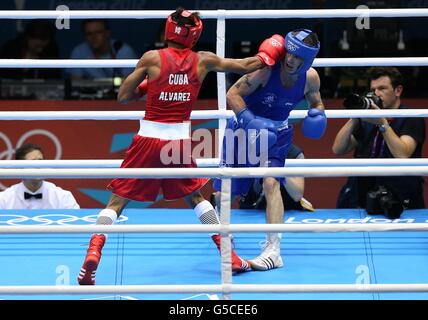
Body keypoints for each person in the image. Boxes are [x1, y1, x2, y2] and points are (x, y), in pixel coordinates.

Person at [77, 8, 286, 285]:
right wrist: (269, 53)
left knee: (117, 202)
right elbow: (247, 66)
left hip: (147, 140)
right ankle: (231, 257)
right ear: (195, 34)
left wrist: (146, 86)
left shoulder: (152, 58)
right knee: (197, 199)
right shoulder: (203, 60)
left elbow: (123, 96)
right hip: (177, 144)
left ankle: (93, 252)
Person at [213, 29, 326, 271]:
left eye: (298, 57)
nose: (290, 60)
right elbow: (232, 94)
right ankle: (223, 231)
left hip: (278, 133)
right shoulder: (265, 70)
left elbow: (315, 100)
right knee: (228, 188)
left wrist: (317, 112)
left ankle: (274, 250)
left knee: (271, 182)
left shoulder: (310, 78)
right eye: (289, 54)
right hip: (244, 129)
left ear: (308, 60)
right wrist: (250, 120)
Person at [332, 67, 425, 215]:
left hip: (400, 199)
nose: (376, 94)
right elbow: (338, 149)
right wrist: (354, 117)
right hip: (364, 196)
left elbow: (402, 154)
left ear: (398, 91)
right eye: (373, 89)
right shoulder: (367, 119)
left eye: (382, 88)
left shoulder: (411, 117)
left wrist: (382, 123)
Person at [0, 144, 80, 209]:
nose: (38, 166)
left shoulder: (63, 197)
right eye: (33, 162)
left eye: (40, 161)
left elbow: (78, 225)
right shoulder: (4, 199)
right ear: (20, 167)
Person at [238, 144, 314, 212]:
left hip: (287, 209)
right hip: (251, 211)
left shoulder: (294, 153)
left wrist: (278, 168)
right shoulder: (246, 150)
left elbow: (297, 195)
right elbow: (233, 194)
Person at [68, 19, 137, 80]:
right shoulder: (79, 52)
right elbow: (75, 84)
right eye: (89, 34)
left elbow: (130, 84)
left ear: (107, 33)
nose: (93, 37)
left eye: (98, 32)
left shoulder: (123, 50)